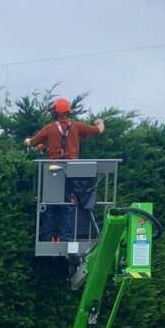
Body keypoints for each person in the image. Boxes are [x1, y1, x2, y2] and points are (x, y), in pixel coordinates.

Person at [26, 98, 105, 242]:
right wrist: (99, 121)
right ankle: (65, 238)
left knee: (49, 205)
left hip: (52, 172)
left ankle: (46, 239)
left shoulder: (49, 128)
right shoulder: (77, 126)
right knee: (67, 204)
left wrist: (27, 141)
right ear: (68, 111)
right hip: (71, 171)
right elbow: (98, 130)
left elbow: (32, 143)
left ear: (55, 112)